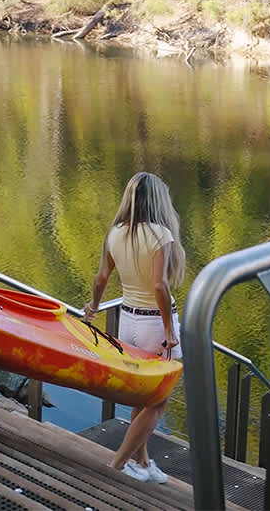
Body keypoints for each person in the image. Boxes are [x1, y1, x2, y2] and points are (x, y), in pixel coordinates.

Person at [81, 171, 187, 484]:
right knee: (158, 401)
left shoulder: (115, 234)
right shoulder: (161, 235)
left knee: (142, 398)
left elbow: (101, 278)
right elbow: (160, 286)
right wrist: (170, 332)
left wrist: (95, 305)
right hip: (155, 325)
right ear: (158, 200)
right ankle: (117, 464)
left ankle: (143, 463)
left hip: (127, 323)